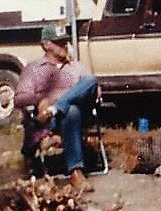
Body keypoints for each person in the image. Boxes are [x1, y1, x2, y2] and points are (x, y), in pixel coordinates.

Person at [14, 23, 99, 190]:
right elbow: (19, 98)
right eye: (58, 42)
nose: (64, 45)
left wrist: (58, 102)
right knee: (71, 110)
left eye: (65, 41)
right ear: (46, 45)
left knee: (90, 82)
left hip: (74, 116)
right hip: (48, 121)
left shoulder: (75, 66)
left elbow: (95, 90)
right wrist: (44, 99)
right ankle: (76, 173)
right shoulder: (34, 68)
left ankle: (58, 107)